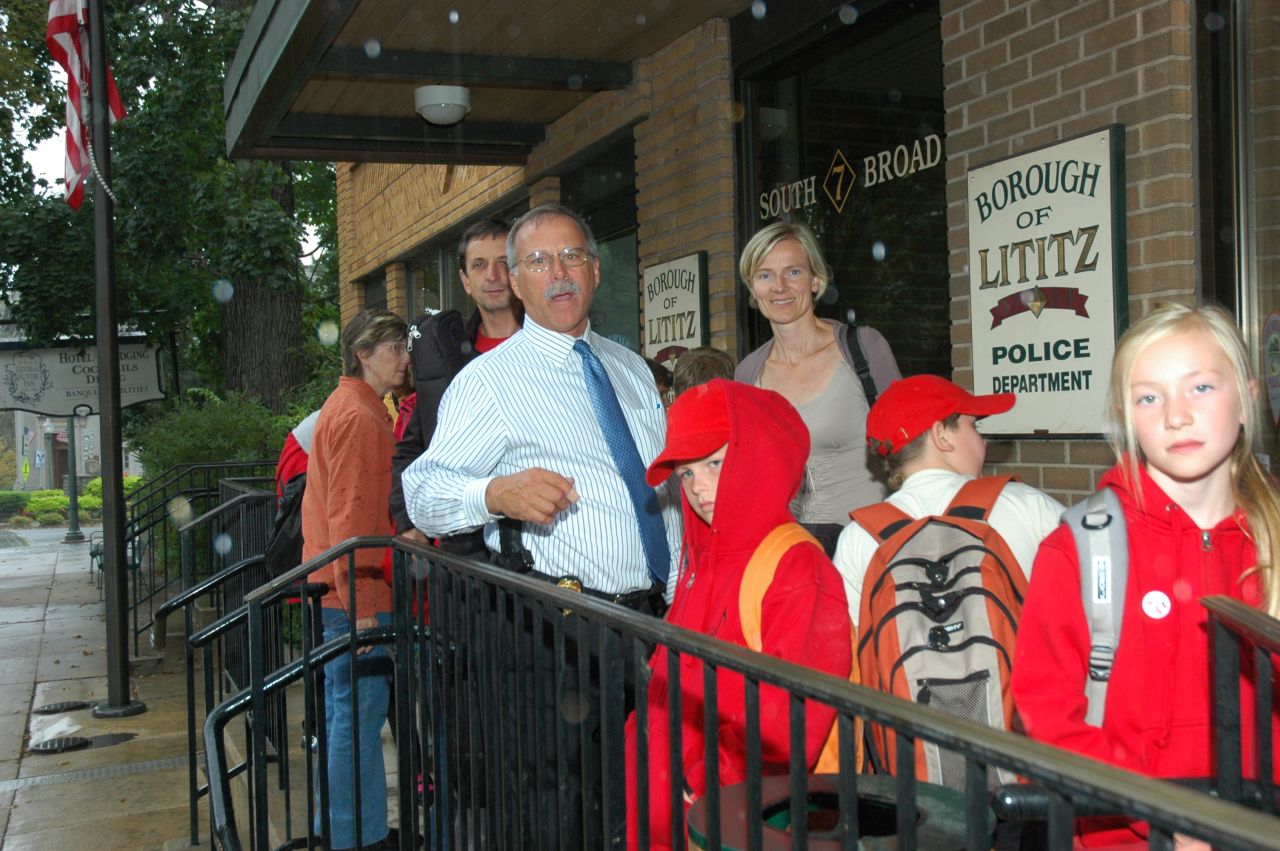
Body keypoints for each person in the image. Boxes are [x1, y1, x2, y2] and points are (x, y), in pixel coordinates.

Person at [402, 203, 680, 848]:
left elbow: (663, 488)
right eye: (538, 261)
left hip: (650, 626)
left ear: (595, 271)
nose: (558, 272)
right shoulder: (489, 382)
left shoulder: (631, 369)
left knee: (642, 804)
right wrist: (494, 493)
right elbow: (422, 493)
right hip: (554, 634)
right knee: (555, 815)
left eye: (571, 256)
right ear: (516, 281)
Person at [1012, 302, 1280, 848]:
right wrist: (1160, 818)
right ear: (1126, 417)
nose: (1176, 416)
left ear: (1248, 399)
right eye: (1149, 397)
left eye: (1200, 387)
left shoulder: (1271, 539)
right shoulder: (1079, 549)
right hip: (1126, 836)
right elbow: (1047, 716)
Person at [625, 378, 853, 851]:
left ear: (760, 454)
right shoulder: (703, 560)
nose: (697, 487)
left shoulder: (795, 567)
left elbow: (788, 719)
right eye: (685, 474)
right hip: (671, 807)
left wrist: (705, 785)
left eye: (714, 463)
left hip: (726, 816)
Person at [833, 374, 1065, 629]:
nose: (983, 441)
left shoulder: (858, 537)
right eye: (974, 427)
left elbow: (852, 640)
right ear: (941, 436)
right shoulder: (1023, 505)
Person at [303, 308, 409, 851]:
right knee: (357, 720)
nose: (404, 358)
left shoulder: (351, 406)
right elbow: (350, 525)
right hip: (354, 596)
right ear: (363, 354)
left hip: (339, 591)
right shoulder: (360, 417)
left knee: (349, 718)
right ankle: (351, 837)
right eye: (394, 348)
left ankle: (352, 830)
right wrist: (364, 604)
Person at [734, 220, 901, 540]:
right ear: (753, 288)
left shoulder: (862, 349)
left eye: (793, 272)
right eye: (765, 275)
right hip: (791, 551)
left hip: (870, 546)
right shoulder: (747, 374)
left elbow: (915, 448)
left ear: (816, 280)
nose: (779, 286)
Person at [388, 217, 522, 553]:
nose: (492, 275)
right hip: (466, 555)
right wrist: (407, 523)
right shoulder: (445, 362)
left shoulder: (551, 350)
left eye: (503, 263)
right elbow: (411, 451)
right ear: (465, 281)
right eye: (479, 265)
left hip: (539, 549)